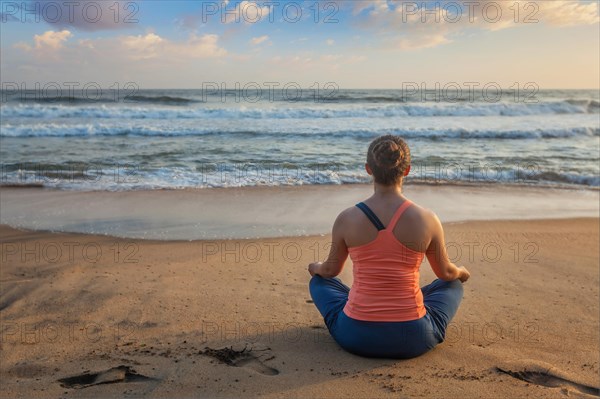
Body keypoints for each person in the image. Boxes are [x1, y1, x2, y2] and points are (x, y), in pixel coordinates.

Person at [308, 135, 470, 359]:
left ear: (368, 169)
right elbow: (446, 273)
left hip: (355, 336)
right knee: (452, 286)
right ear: (407, 170)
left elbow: (329, 271)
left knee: (320, 282)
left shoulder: (347, 218)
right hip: (413, 338)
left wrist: (314, 266)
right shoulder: (427, 219)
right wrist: (462, 272)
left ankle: (361, 306)